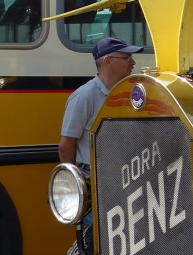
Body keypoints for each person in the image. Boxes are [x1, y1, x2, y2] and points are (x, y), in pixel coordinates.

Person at [59, 36, 143, 170]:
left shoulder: (130, 93)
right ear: (107, 60)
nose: (133, 63)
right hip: (92, 175)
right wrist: (74, 178)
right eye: (127, 58)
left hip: (124, 174)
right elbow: (66, 146)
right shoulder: (83, 96)